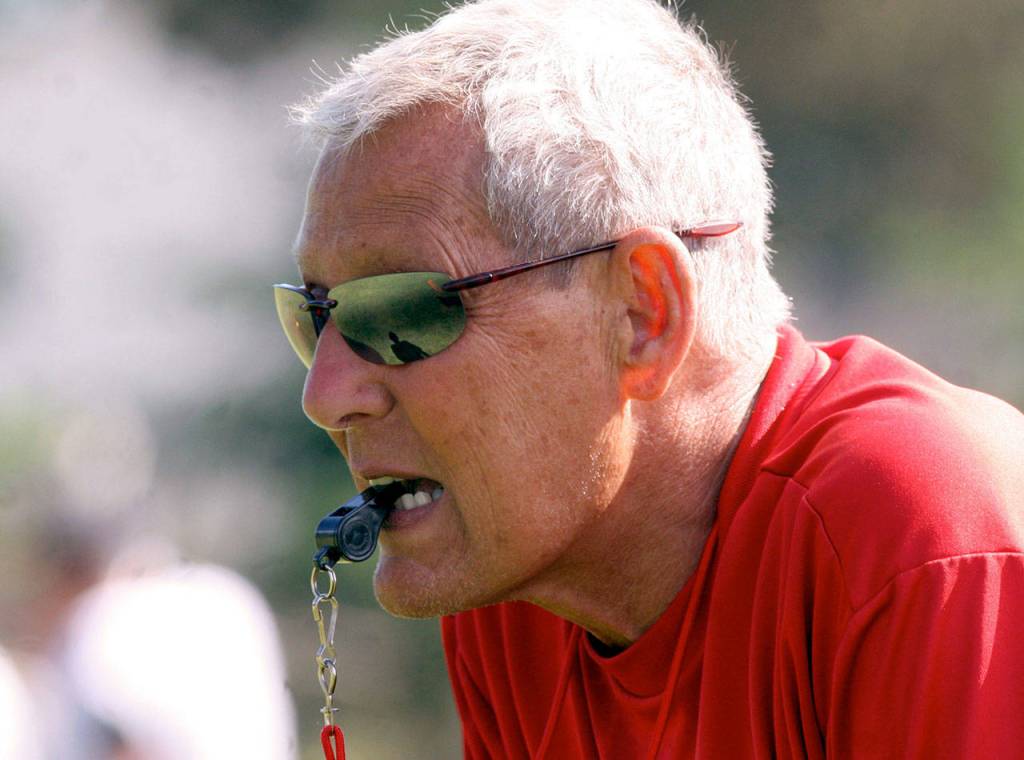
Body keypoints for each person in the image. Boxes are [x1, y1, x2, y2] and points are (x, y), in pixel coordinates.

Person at [276, 0, 1024, 756]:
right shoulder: (517, 567)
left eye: (401, 311)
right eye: (315, 316)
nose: (327, 395)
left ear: (642, 312)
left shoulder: (929, 540)